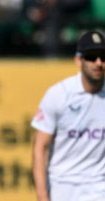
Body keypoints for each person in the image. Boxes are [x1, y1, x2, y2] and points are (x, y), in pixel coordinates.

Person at [32, 31, 105, 201]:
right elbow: (40, 147)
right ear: (78, 60)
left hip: (99, 187)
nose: (99, 63)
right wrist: (42, 195)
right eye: (92, 57)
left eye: (103, 57)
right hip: (63, 187)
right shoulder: (59, 94)